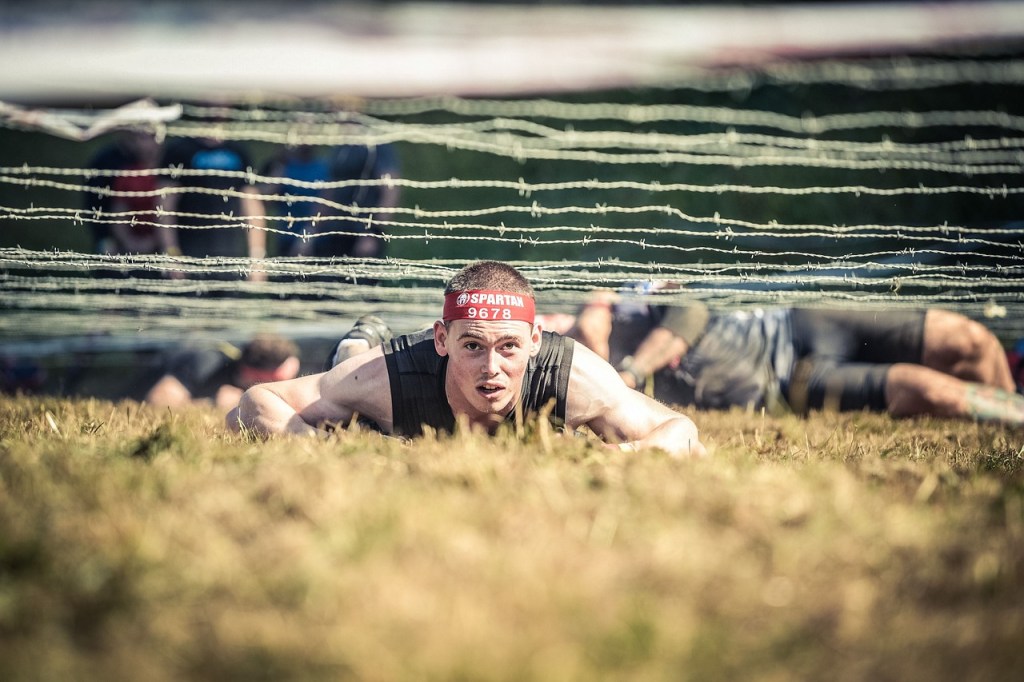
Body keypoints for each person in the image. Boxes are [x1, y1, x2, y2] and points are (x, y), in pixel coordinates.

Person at [229, 261, 705, 457]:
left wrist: (619, 459)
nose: (491, 369)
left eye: (509, 347)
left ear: (536, 340)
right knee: (351, 367)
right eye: (473, 346)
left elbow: (683, 432)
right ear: (442, 340)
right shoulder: (390, 376)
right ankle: (360, 337)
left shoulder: (572, 375)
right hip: (379, 390)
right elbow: (254, 404)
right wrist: (338, 457)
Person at [552, 287, 1024, 427]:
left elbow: (690, 309)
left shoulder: (621, 303)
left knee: (969, 342)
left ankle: (1010, 439)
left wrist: (628, 363)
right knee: (931, 390)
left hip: (797, 323)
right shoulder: (580, 384)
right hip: (794, 385)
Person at [157, 128, 267, 281]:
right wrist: (171, 252)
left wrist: (257, 257)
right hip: (188, 257)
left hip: (231, 258)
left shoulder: (238, 151)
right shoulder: (180, 150)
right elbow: (165, 206)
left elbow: (252, 204)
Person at [146, 334, 300, 412]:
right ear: (252, 374)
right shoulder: (208, 363)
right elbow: (157, 401)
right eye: (279, 380)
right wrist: (211, 403)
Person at [312, 141, 400, 260]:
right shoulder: (340, 146)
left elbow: (390, 191)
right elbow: (330, 190)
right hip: (334, 233)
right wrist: (312, 229)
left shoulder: (376, 145)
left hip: (363, 234)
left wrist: (374, 233)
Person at [84, 129, 163, 260]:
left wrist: (158, 242)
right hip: (122, 244)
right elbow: (116, 212)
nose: (149, 143)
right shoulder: (111, 165)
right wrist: (127, 242)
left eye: (153, 137)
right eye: (142, 138)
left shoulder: (173, 164)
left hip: (164, 244)